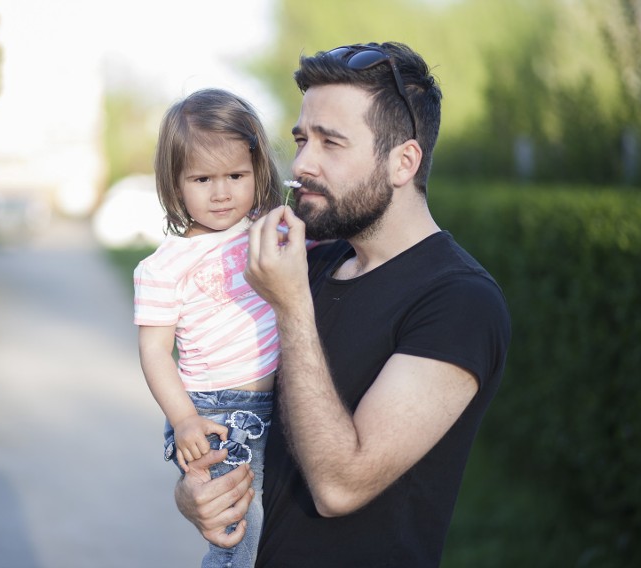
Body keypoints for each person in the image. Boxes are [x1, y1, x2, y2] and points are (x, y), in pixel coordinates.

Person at [174, 42, 512, 567]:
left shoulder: (460, 301)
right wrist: (195, 490)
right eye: (302, 139)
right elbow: (226, 403)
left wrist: (290, 307)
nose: (303, 164)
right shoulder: (307, 261)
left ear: (404, 161)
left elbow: (340, 487)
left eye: (331, 143)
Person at [133, 88, 284, 568]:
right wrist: (183, 421)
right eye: (202, 178)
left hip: (279, 399)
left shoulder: (266, 231)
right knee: (241, 532)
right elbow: (156, 351)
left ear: (257, 172)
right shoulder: (165, 266)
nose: (221, 192)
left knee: (278, 527)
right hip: (216, 411)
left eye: (236, 175)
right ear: (175, 185)